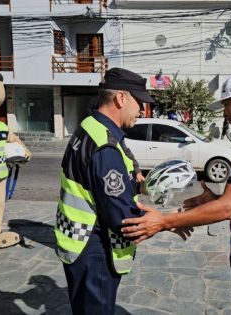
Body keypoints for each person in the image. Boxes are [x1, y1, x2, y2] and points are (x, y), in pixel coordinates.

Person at [121, 72, 231, 314]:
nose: (225, 113)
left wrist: (163, 221)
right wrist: (212, 199)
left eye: (226, 105)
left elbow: (227, 208)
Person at [54, 68, 155, 315]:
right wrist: (165, 222)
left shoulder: (88, 125)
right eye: (139, 101)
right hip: (96, 248)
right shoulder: (105, 146)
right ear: (122, 98)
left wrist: (138, 184)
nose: (142, 110)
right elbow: (121, 217)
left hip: (77, 241)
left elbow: (95, 183)